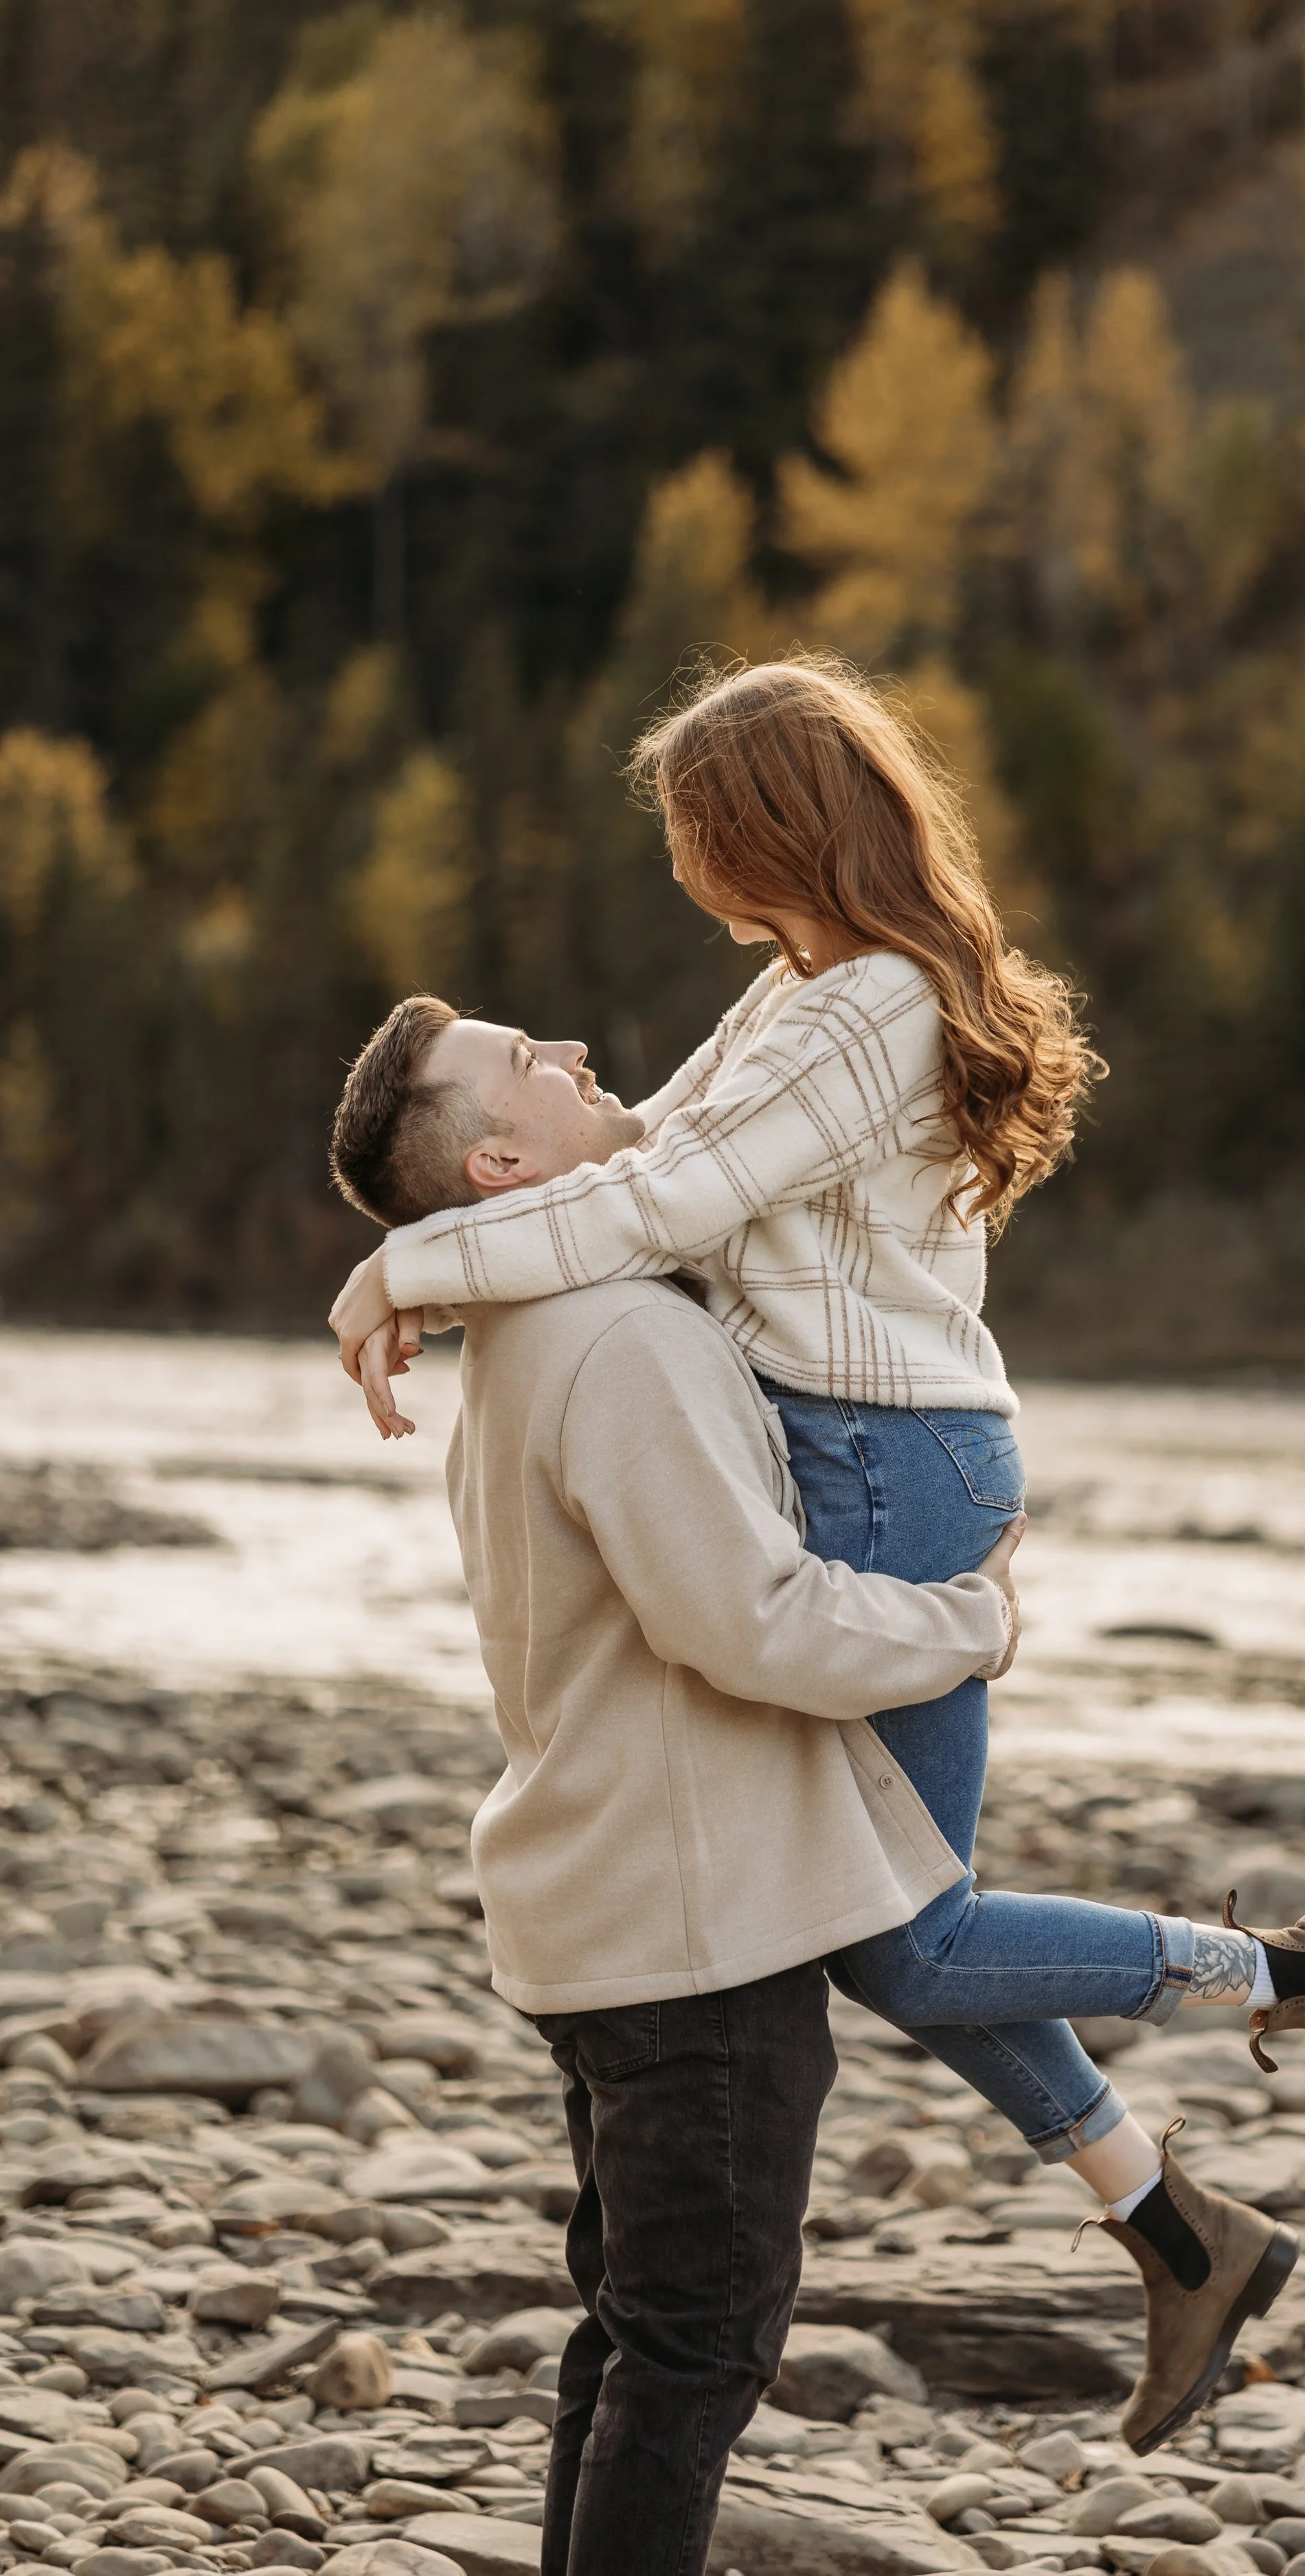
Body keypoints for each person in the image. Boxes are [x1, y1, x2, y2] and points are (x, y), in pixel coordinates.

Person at [329, 656, 1305, 2454]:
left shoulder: (869, 1003)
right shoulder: (796, 986)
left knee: (906, 1940)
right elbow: (645, 1153)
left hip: (889, 1472)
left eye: (698, 833)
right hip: (849, 1454)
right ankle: (1181, 2229)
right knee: (890, 1929)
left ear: (773, 828)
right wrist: (437, 1240)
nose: (686, 869)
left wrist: (409, 1267)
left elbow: (664, 1201)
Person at [328, 993, 1024, 2576]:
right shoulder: (622, 1337)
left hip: (615, 1907)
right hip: (690, 1929)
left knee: (636, 2332)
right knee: (698, 2352)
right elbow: (748, 1622)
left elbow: (738, 1091)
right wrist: (963, 1623)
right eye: (525, 1064)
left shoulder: (537, 1320)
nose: (569, 1051)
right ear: (501, 1161)